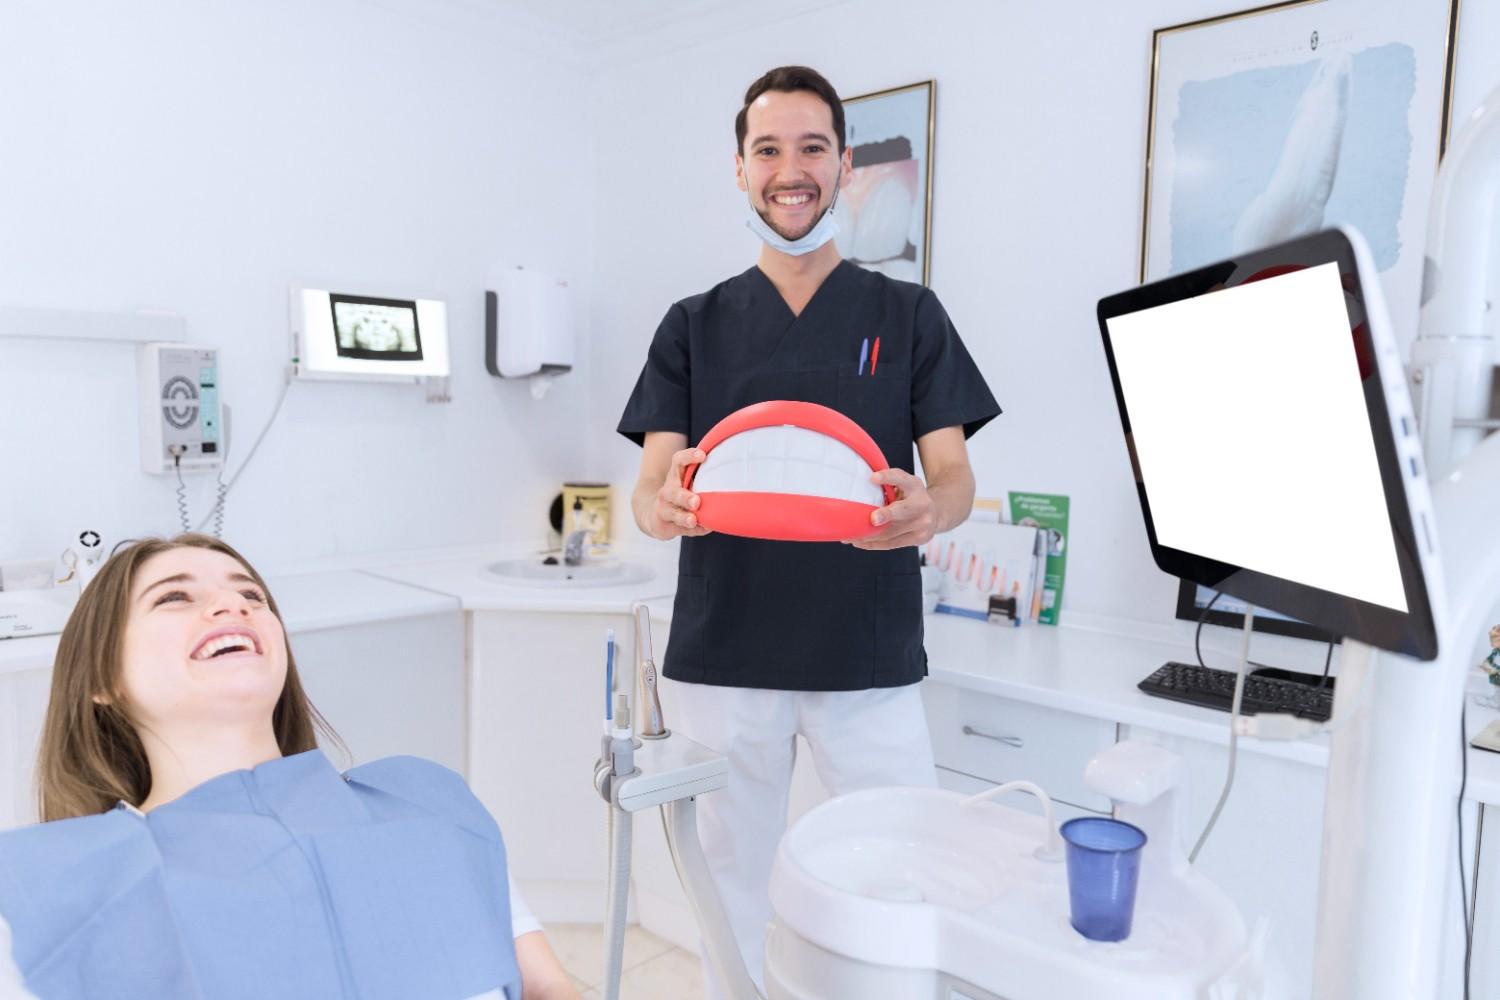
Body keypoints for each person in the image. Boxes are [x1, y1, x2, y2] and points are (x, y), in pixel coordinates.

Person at [618, 65, 1000, 995]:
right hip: (727, 651)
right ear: (741, 170)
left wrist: (927, 510)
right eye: (768, 149)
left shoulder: (907, 315)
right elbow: (648, 490)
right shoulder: (692, 325)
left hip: (863, 654)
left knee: (900, 871)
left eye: (812, 147)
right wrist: (662, 505)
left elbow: (952, 479)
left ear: (845, 165)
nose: (791, 169)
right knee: (733, 881)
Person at [0, 533, 579, 1000]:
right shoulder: (57, 890)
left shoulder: (427, 800)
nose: (234, 605)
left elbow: (546, 985)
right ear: (102, 679)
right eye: (174, 597)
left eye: (252, 596)